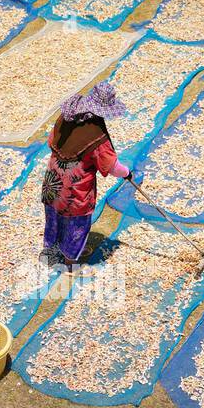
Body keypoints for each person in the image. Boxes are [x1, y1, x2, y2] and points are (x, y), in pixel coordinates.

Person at [40, 81, 132, 273]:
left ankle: (51, 253)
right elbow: (111, 166)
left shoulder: (67, 116)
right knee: (75, 224)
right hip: (75, 190)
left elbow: (51, 141)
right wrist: (127, 173)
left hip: (53, 181)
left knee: (54, 216)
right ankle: (69, 263)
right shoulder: (96, 135)